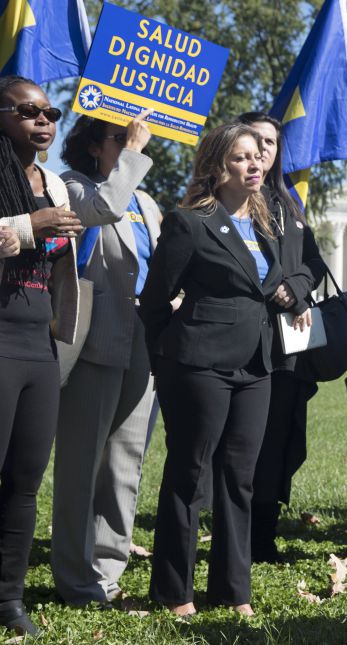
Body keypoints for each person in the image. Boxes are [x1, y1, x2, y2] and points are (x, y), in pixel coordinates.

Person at [139, 123, 281, 617]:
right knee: (190, 475)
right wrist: (167, 355)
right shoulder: (190, 222)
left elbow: (288, 274)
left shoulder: (268, 223)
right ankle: (174, 591)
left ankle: (231, 589)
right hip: (198, 363)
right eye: (242, 157)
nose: (255, 164)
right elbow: (154, 301)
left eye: (258, 156)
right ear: (219, 167)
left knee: (240, 479)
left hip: (256, 365)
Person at [51, 109, 163, 606]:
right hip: (92, 336)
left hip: (143, 337)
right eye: (120, 137)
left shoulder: (147, 201)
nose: (132, 142)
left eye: (134, 137)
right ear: (94, 146)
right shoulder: (71, 185)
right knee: (81, 462)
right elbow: (103, 210)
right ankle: (75, 579)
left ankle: (107, 572)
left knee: (125, 461)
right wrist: (136, 153)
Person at [0, 75, 83, 636]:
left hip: (39, 342)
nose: (44, 120)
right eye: (29, 112)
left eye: (51, 112)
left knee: (27, 480)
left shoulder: (53, 182)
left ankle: (8, 601)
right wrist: (33, 225)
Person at [237, 112, 328, 563]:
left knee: (283, 438)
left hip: (291, 344)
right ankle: (241, 537)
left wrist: (299, 289)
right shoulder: (233, 200)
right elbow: (245, 258)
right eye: (256, 141)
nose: (265, 149)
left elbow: (314, 261)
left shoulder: (288, 202)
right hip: (249, 338)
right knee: (250, 441)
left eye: (271, 142)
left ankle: (265, 537)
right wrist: (282, 290)